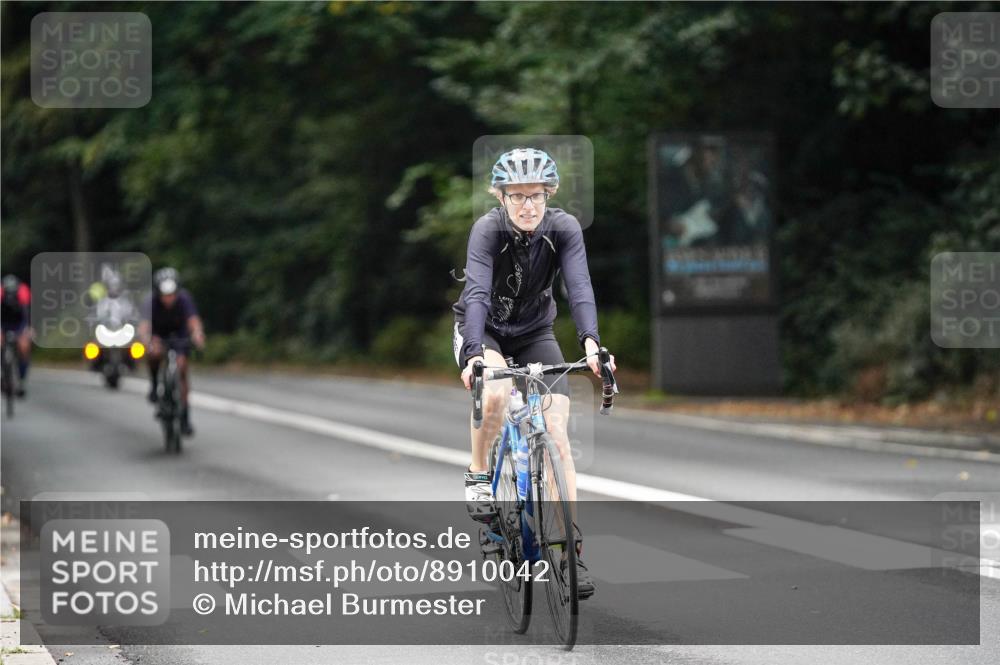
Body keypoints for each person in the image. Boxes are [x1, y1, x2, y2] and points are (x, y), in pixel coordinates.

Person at [452, 147, 615, 599]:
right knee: (498, 395)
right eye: (517, 196)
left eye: (537, 196)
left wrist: (591, 343)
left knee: (558, 436)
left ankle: (569, 552)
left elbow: (579, 285)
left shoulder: (562, 229)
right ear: (501, 198)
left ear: (550, 196)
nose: (528, 206)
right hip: (483, 332)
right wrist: (474, 355)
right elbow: (479, 293)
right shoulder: (487, 231)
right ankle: (479, 474)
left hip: (535, 332)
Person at [139, 268, 205, 436]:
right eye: (164, 295)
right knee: (154, 354)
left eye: (172, 294)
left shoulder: (184, 298)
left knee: (182, 367)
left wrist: (197, 334)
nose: (169, 299)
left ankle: (184, 415)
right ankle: (154, 385)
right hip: (158, 335)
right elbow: (145, 325)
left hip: (179, 335)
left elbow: (193, 320)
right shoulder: (150, 301)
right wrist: (146, 339)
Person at [0, 275, 32, 397]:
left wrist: (27, 330)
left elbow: (27, 314)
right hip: (3, 323)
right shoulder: (1, 292)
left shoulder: (23, 292)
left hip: (19, 323)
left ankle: (21, 381)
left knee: (24, 347)